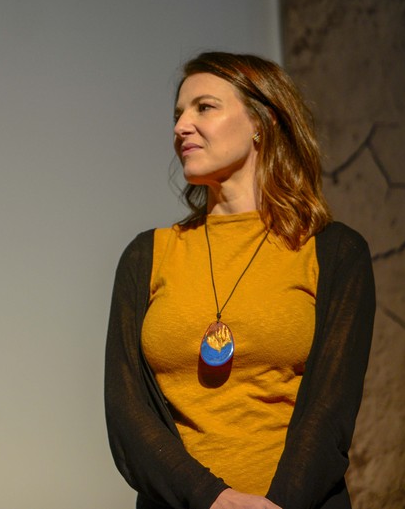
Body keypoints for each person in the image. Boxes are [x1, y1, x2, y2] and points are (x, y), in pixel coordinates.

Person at [104, 52, 375, 509]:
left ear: (261, 122)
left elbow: (330, 413)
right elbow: (127, 415)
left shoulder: (333, 252)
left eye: (203, 107)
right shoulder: (146, 256)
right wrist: (213, 499)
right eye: (177, 115)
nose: (180, 127)